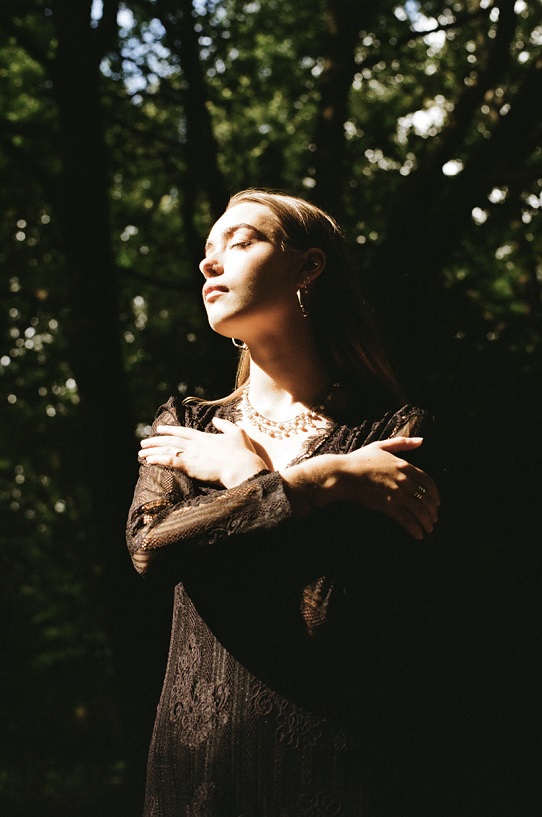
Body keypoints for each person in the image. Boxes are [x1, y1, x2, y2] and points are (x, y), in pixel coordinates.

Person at [126, 189, 441, 817]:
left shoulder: (391, 436)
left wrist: (246, 475)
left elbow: (327, 618)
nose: (208, 262)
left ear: (309, 267)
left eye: (241, 241)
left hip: (334, 774)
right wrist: (316, 481)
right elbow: (150, 547)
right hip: (195, 776)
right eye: (207, 249)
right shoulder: (186, 424)